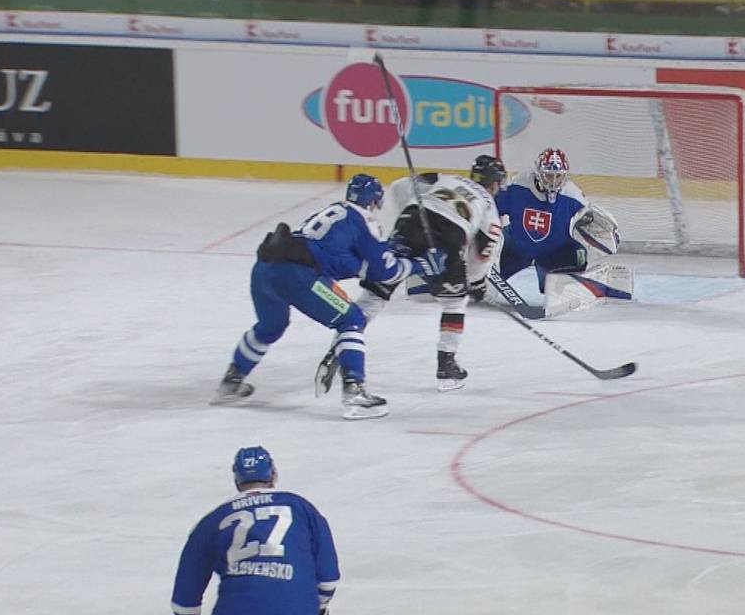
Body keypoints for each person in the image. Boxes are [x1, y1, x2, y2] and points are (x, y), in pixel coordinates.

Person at [212, 173, 447, 419]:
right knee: (352, 319)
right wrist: (421, 265)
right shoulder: (366, 220)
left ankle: (231, 381)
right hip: (298, 276)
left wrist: (388, 252)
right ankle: (354, 392)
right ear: (374, 201)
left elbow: (345, 251)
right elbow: (385, 272)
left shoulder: (334, 211)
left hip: (264, 270)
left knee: (271, 326)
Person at [168, 446, 339, 615]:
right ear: (273, 475)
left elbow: (188, 584)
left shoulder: (216, 519)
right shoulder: (300, 506)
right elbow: (328, 577)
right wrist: (319, 612)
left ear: (236, 480)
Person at [315, 156, 506, 392]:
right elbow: (486, 248)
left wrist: (411, 216)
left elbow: (400, 186)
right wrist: (475, 283)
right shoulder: (488, 203)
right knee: (455, 301)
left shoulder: (446, 178)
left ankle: (338, 348)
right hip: (449, 234)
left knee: (378, 291)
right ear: (496, 184)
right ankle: (446, 364)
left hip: (411, 220)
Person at [494, 146, 620, 293]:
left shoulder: (574, 199)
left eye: (558, 176)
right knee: (484, 272)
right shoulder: (517, 186)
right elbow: (490, 209)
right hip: (516, 245)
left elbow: (590, 232)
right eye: (549, 176)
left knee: (564, 276)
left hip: (555, 253)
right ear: (538, 173)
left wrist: (604, 239)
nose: (554, 181)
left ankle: (575, 284)